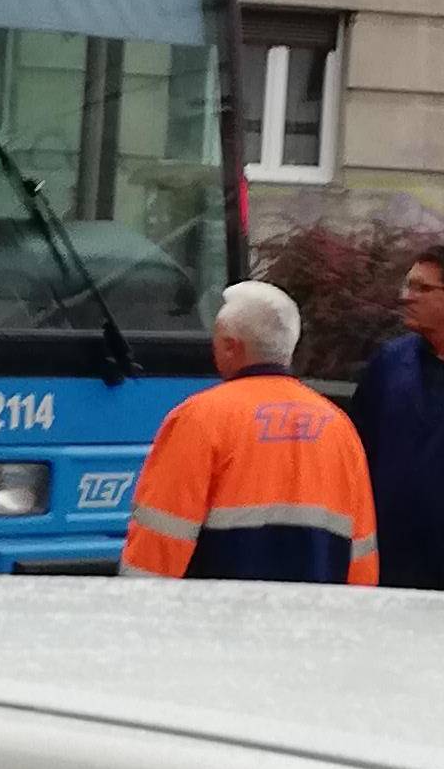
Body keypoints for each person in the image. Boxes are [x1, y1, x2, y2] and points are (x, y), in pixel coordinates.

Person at [120, 277, 376, 585]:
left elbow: (157, 548)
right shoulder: (338, 427)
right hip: (312, 624)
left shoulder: (199, 419)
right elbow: (362, 559)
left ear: (230, 347)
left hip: (218, 623)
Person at [350, 241, 444, 589]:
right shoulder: (390, 364)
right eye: (407, 285)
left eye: (423, 288)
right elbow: (359, 451)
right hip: (391, 565)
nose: (407, 296)